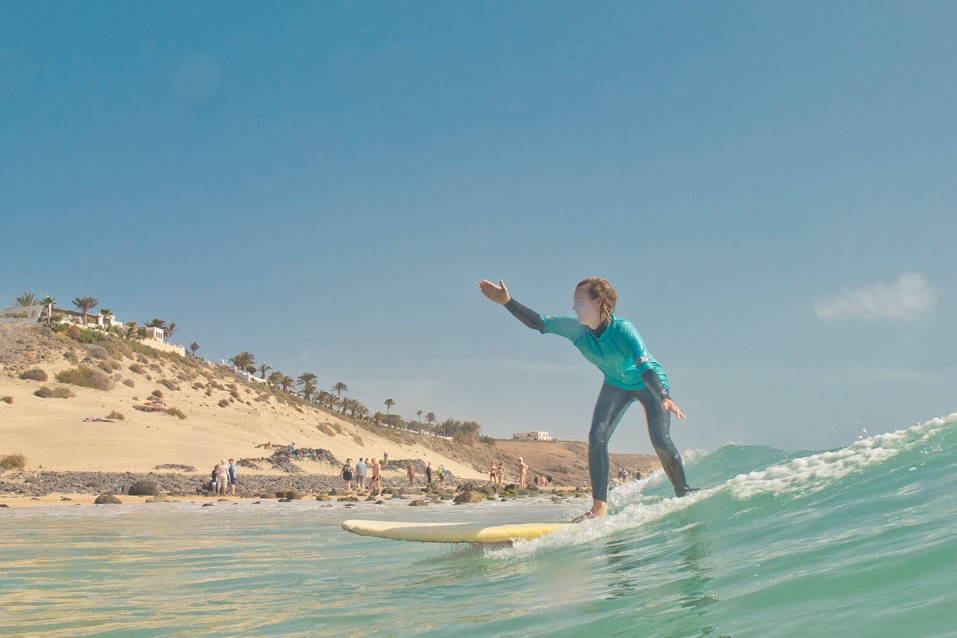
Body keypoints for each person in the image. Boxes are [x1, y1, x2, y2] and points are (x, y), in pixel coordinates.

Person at [479, 277, 691, 522]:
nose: (573, 308)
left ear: (598, 303)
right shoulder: (575, 328)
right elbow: (538, 322)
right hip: (615, 383)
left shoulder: (624, 330)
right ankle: (599, 508)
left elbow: (645, 369)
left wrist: (664, 396)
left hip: (648, 384)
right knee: (596, 437)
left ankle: (683, 493)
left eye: (579, 302)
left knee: (660, 440)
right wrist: (506, 301)